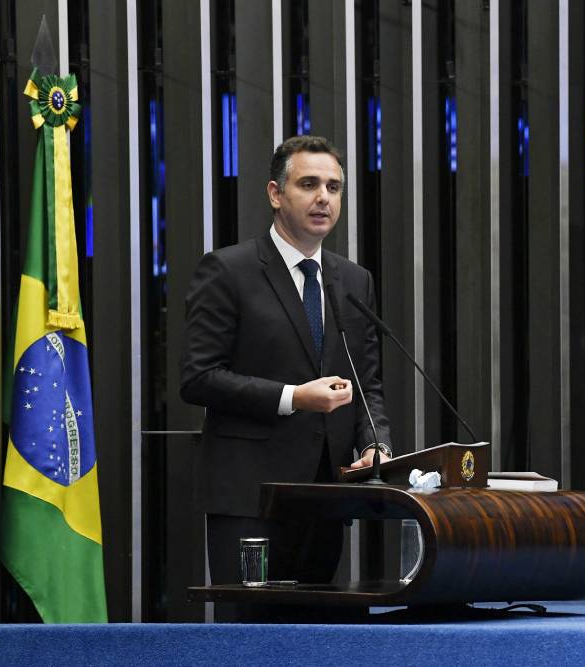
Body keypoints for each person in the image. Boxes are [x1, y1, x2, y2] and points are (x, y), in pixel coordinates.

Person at [179, 135, 392, 611]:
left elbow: (366, 382)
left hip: (324, 496)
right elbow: (197, 377)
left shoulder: (354, 280)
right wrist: (294, 396)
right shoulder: (228, 270)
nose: (323, 198)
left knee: (313, 636)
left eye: (334, 187)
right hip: (250, 497)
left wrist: (375, 442)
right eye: (309, 184)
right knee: (256, 639)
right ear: (276, 194)